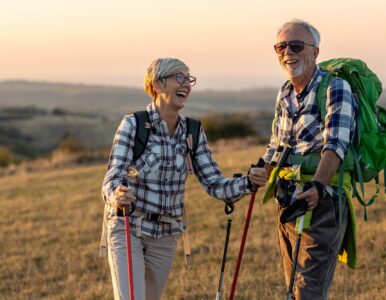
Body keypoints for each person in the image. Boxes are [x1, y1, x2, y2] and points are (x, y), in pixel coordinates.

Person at [100, 57, 268, 300]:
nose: (186, 84)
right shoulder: (133, 125)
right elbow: (112, 176)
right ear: (157, 85)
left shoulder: (193, 131)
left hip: (166, 232)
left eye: (189, 79)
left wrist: (249, 182)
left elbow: (215, 184)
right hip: (129, 227)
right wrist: (116, 195)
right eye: (178, 77)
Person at [262, 20, 357, 299]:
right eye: (281, 46)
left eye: (296, 45)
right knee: (292, 287)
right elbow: (277, 146)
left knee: (308, 291)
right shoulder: (285, 91)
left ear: (315, 52)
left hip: (323, 200)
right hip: (287, 200)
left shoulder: (335, 87)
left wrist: (316, 186)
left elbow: (335, 146)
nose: (287, 52)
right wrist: (257, 172)